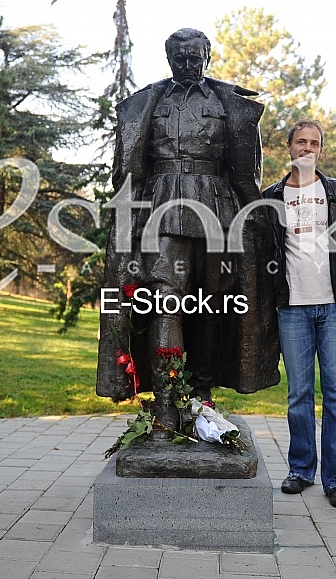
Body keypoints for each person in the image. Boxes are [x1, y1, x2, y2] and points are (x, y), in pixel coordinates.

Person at [96, 28, 280, 433]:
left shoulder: (228, 102)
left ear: (207, 57)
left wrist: (259, 220)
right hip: (163, 207)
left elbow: (246, 171)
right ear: (169, 59)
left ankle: (201, 397)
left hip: (219, 210)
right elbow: (128, 171)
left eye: (194, 56)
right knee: (168, 300)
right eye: (179, 57)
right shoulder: (148, 102)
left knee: (213, 305)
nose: (187, 64)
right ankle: (166, 401)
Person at [262, 119, 336, 509]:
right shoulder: (271, 198)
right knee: (298, 395)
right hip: (292, 308)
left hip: (335, 307)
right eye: (301, 142)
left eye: (314, 143)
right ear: (289, 148)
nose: (308, 148)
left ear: (321, 150)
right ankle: (300, 469)